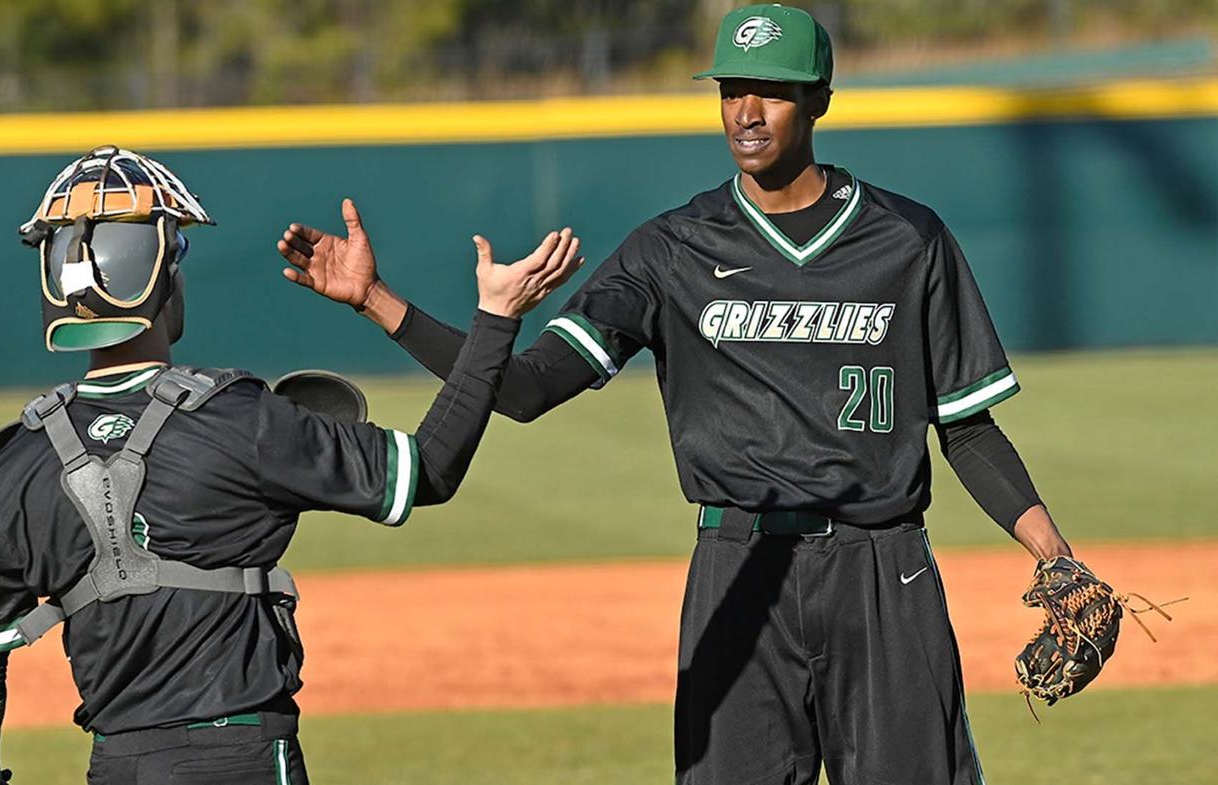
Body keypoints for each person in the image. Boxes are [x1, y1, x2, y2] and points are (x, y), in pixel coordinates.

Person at [274, 6, 1087, 784]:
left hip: (883, 571)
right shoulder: (670, 250)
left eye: (770, 90)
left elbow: (968, 428)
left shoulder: (908, 239)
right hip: (737, 572)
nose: (747, 111)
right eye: (732, 90)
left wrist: (1057, 557)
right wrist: (378, 301)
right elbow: (522, 389)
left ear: (819, 101)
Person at [0, 145, 581, 785]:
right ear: (164, 282)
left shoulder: (16, 465)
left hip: (116, 764)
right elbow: (425, 470)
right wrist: (496, 319)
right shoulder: (240, 419)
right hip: (238, 757)